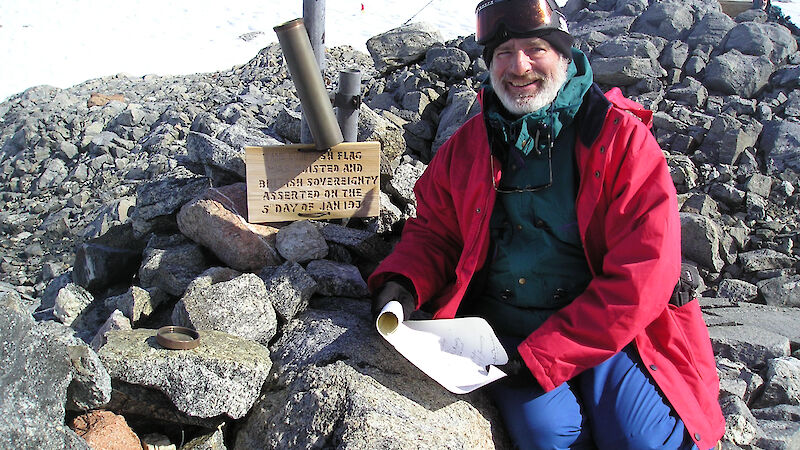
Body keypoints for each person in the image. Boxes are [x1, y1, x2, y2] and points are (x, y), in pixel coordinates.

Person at [368, 0, 726, 448]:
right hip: (507, 333)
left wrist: (544, 357)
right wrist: (404, 279)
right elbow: (436, 231)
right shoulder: (467, 147)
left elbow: (644, 273)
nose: (518, 67)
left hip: (607, 330)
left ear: (564, 55)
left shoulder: (620, 140)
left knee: (643, 440)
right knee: (547, 435)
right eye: (503, 53)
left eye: (535, 48)